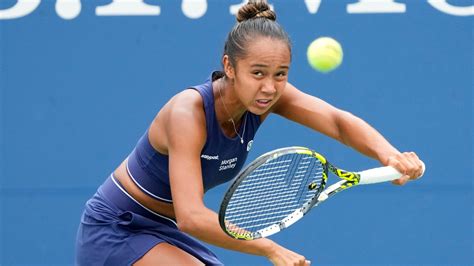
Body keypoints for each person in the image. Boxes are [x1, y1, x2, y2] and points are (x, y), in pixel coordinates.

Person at [75, 0, 424, 265]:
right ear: (229, 66)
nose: (270, 88)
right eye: (258, 73)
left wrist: (389, 154)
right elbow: (192, 217)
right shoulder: (187, 113)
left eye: (280, 74)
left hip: (165, 230)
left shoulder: (267, 99)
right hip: (118, 228)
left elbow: (336, 121)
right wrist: (269, 248)